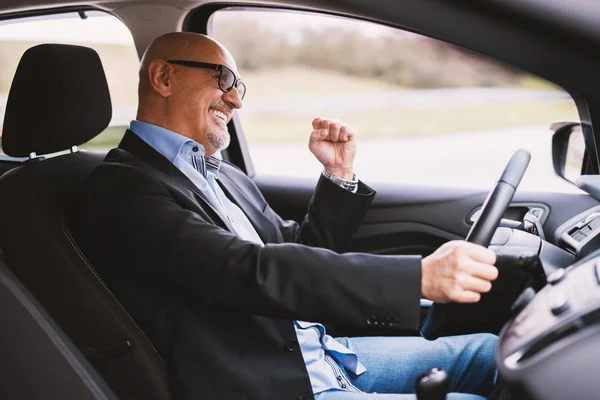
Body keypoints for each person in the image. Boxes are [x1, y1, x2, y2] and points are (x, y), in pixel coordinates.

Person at [77, 32, 499, 400]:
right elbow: (248, 271)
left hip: (319, 354)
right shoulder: (124, 190)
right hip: (271, 382)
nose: (236, 99)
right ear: (164, 77)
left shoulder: (221, 174)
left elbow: (296, 250)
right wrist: (417, 278)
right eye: (222, 79)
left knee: (493, 352)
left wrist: (338, 175)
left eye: (238, 84)